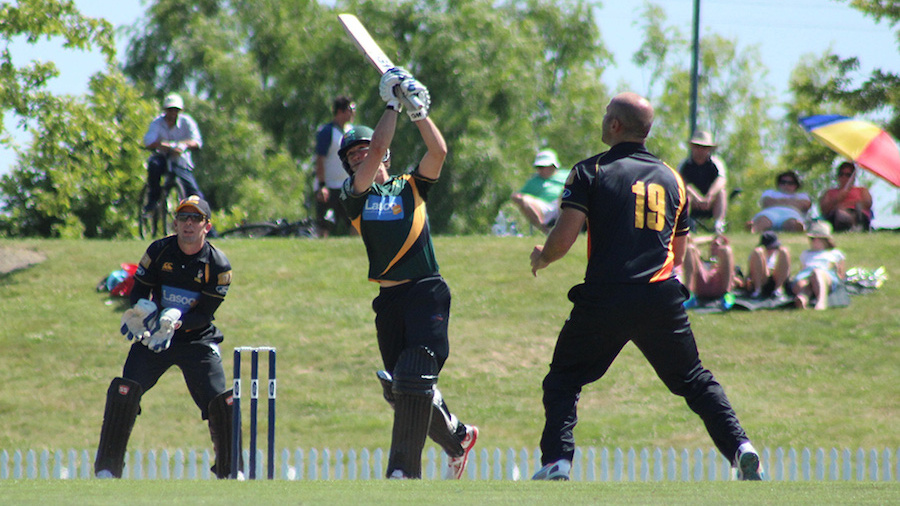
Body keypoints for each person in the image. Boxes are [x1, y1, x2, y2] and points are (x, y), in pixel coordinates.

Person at [529, 92, 763, 481]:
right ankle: (741, 448)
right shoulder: (673, 178)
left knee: (564, 379)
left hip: (606, 294)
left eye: (607, 113)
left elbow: (563, 239)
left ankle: (557, 460)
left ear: (615, 125)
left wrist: (543, 256)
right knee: (694, 380)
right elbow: (678, 252)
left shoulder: (590, 171)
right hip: (660, 296)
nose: (603, 119)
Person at [338, 67, 477, 480]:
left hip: (425, 290)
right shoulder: (354, 196)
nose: (361, 156)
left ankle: (402, 473)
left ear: (388, 157)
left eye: (365, 150)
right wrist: (392, 104)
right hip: (389, 300)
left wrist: (418, 113)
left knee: (415, 375)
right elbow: (379, 146)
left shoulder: (411, 186)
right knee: (401, 389)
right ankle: (458, 437)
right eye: (352, 155)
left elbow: (438, 152)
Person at [95, 196, 236, 479]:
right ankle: (107, 469)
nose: (188, 224)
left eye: (196, 218)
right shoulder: (159, 251)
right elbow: (139, 289)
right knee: (125, 390)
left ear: (207, 226)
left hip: (196, 339)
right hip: (155, 336)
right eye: (183, 217)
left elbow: (205, 314)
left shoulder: (218, 265)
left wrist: (177, 322)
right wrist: (140, 312)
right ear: (175, 223)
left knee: (221, 402)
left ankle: (231, 470)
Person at [142, 93, 205, 214]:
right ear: (165, 110)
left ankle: (202, 216)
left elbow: (197, 141)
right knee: (154, 166)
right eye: (170, 110)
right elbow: (148, 141)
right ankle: (152, 200)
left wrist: (183, 145)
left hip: (180, 160)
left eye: (175, 110)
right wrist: (164, 146)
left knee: (192, 190)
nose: (172, 113)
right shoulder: (157, 123)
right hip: (162, 157)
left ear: (180, 111)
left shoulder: (187, 122)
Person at [314, 96, 357, 237]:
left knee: (356, 222)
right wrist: (322, 185)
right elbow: (320, 159)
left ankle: (355, 249)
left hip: (347, 187)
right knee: (324, 225)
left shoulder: (351, 131)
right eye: (350, 109)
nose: (353, 113)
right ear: (340, 111)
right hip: (329, 187)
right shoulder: (327, 131)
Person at [679, 131, 728, 234]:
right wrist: (696, 197)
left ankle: (718, 225)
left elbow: (721, 180)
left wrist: (709, 196)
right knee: (684, 195)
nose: (700, 150)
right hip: (692, 201)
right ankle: (684, 226)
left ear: (709, 149)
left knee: (722, 193)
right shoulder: (684, 164)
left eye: (704, 147)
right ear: (692, 147)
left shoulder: (716, 163)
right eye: (697, 146)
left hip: (711, 202)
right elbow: (681, 182)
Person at [510, 149, 568, 234]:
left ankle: (568, 228)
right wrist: (519, 198)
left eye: (542, 167)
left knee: (565, 193)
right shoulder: (534, 181)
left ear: (552, 166)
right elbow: (516, 195)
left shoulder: (567, 175)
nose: (539, 170)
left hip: (563, 204)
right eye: (538, 167)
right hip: (542, 207)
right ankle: (545, 230)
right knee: (525, 200)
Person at [791, 221, 846, 310]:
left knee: (817, 273)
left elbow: (841, 275)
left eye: (815, 238)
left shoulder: (835, 253)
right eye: (811, 238)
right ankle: (803, 298)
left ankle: (820, 301)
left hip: (825, 273)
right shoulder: (805, 253)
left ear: (825, 240)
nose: (813, 241)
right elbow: (803, 269)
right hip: (807, 273)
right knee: (803, 282)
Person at [680, 234, 737, 303]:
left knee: (726, 250)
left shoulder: (725, 263)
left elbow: (737, 281)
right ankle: (689, 294)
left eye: (717, 245)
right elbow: (688, 241)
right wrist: (709, 239)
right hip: (699, 284)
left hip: (720, 285)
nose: (715, 247)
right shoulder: (697, 258)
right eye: (713, 245)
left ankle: (726, 294)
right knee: (689, 248)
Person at [819, 161, 873, 232]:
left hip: (857, 214)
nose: (844, 177)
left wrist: (846, 205)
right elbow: (823, 210)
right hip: (836, 217)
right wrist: (837, 199)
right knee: (839, 213)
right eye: (841, 174)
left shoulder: (862, 190)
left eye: (848, 175)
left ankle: (856, 224)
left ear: (853, 177)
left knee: (856, 209)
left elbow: (868, 203)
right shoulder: (830, 192)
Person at [746, 231, 791, 299]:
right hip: (762, 280)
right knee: (757, 252)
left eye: (775, 247)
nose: (772, 250)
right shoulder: (757, 255)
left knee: (784, 251)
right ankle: (758, 290)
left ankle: (778, 289)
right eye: (770, 247)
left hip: (775, 280)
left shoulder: (778, 254)